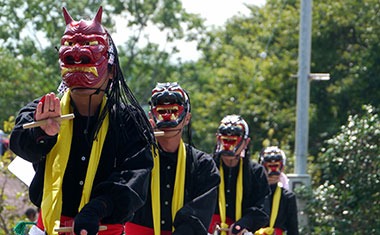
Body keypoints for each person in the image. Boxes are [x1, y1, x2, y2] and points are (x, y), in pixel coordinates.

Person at [9, 6, 155, 235]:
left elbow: (135, 177)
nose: (77, 55)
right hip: (48, 227)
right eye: (70, 49)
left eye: (89, 49)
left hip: (104, 229)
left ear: (112, 70)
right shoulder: (45, 110)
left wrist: (98, 208)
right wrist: (43, 134)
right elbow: (21, 145)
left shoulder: (129, 121)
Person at [124, 82, 220, 235]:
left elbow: (199, 214)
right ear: (151, 117)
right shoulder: (136, 157)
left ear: (187, 117)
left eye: (174, 110)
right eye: (161, 110)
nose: (168, 117)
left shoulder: (203, 165)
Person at [209, 115, 270, 235]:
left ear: (246, 142)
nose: (228, 146)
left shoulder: (256, 172)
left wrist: (242, 224)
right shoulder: (206, 167)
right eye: (225, 140)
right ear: (218, 139)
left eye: (233, 141)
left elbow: (262, 210)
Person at [255, 146, 299, 235]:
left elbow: (293, 229)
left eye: (276, 166)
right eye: (269, 166)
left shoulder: (287, 196)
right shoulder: (252, 192)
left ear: (282, 168)